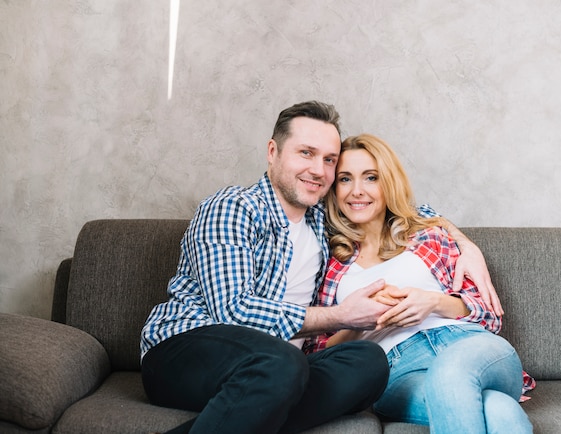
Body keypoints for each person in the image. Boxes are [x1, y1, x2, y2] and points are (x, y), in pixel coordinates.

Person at [140, 102, 503, 434]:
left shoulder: (321, 218)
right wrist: (341, 316)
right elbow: (234, 311)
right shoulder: (234, 206)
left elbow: (401, 209)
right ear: (273, 152)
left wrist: (464, 243)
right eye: (306, 153)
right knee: (280, 362)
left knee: (369, 362)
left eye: (329, 160)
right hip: (186, 352)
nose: (318, 170)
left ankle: (243, 415)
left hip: (278, 371)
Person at [306, 134, 535, 434]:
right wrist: (360, 320)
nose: (357, 191)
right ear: (334, 189)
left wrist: (433, 301)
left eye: (371, 177)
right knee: (500, 411)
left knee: (453, 373)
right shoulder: (329, 262)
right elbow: (316, 355)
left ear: (388, 183)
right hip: (398, 371)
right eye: (345, 179)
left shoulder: (427, 235)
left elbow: (488, 316)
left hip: (467, 343)